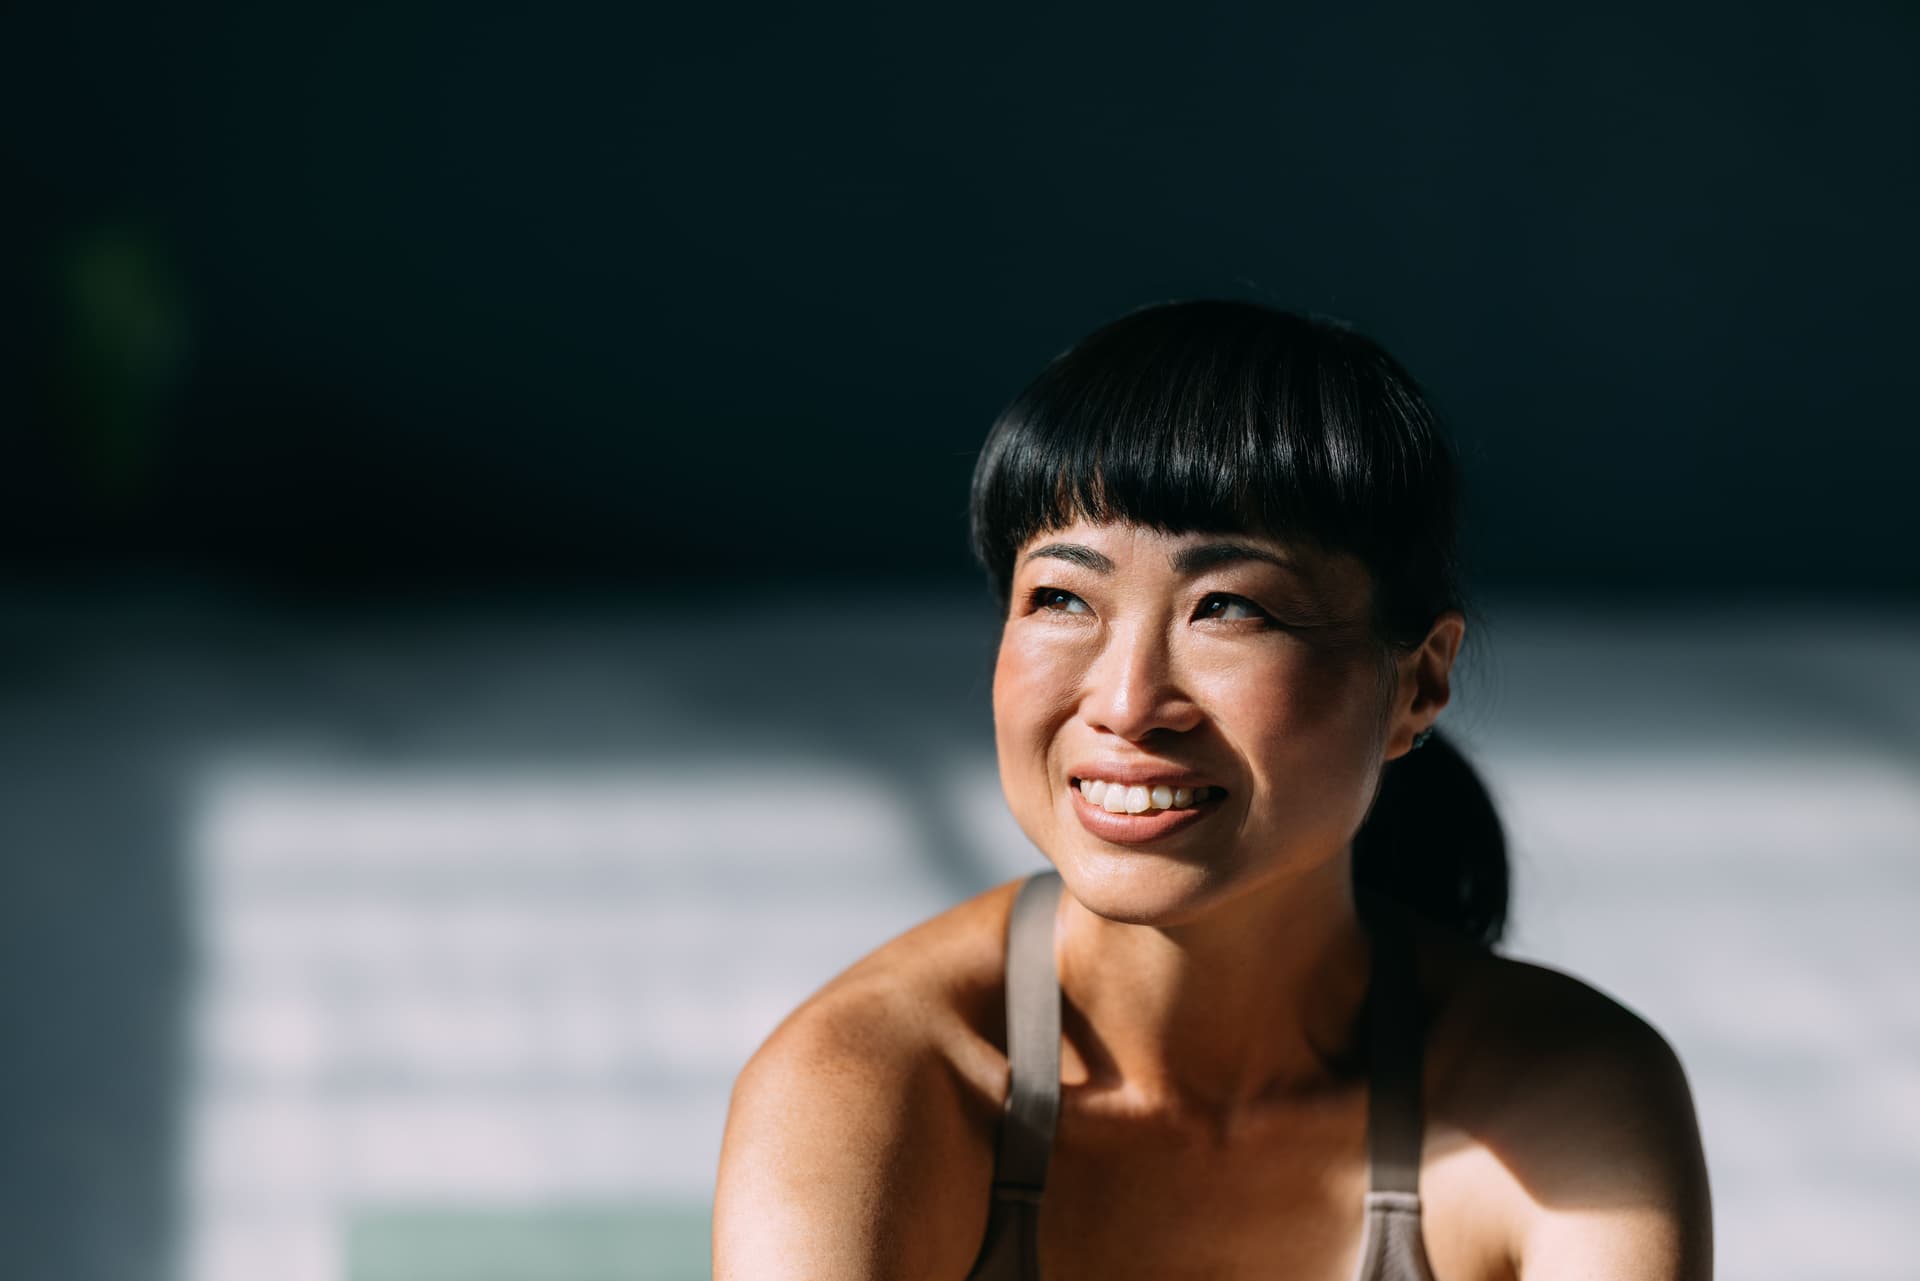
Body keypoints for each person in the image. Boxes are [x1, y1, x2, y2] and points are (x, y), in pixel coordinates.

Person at [713, 301, 1712, 1279]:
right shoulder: (867, 1092)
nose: (1129, 701)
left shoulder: (1565, 1103)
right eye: (1061, 597)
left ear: (1417, 684)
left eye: (1229, 607)